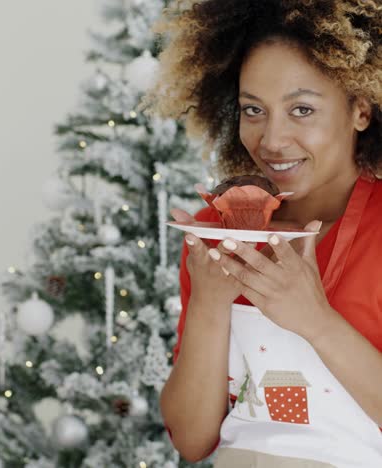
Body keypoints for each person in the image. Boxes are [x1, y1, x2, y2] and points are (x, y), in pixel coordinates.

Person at [141, 1, 382, 467]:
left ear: (361, 111)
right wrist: (211, 305)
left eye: (302, 109)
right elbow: (192, 441)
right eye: (254, 109)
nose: (271, 140)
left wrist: (315, 320)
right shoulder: (214, 232)